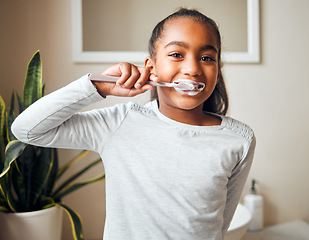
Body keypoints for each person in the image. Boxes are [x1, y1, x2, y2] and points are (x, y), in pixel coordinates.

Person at [12, 8, 256, 240]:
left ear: (217, 68)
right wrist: (97, 87)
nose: (192, 68)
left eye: (206, 57)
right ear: (152, 68)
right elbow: (26, 129)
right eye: (176, 54)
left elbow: (220, 225)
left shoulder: (239, 139)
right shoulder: (119, 123)